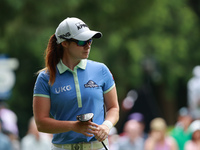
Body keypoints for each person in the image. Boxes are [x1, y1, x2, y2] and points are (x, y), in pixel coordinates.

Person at [33, 17, 119, 150]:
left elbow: (113, 107)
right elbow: (41, 123)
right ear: (64, 43)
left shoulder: (101, 70)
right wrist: (73, 126)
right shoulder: (45, 78)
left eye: (89, 40)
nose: (88, 45)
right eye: (81, 41)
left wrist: (106, 126)